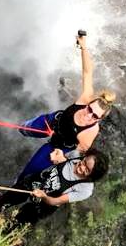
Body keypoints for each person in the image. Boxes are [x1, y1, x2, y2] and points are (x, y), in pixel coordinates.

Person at [16, 31, 116, 180]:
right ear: (89, 103)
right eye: (90, 109)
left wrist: (61, 158)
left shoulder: (89, 132)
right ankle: (24, 130)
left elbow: (78, 155)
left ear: (99, 119)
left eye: (95, 116)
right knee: (24, 129)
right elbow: (87, 72)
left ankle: (14, 188)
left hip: (57, 145)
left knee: (29, 173)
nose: (89, 115)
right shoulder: (86, 98)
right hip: (52, 122)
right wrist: (83, 47)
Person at [0, 148, 109, 226]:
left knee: (19, 222)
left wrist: (43, 195)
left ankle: (2, 234)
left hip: (45, 203)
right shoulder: (75, 155)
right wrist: (56, 155)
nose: (81, 167)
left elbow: (56, 201)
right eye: (83, 162)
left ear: (92, 176)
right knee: (9, 198)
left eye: (87, 170)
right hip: (36, 182)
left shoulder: (85, 189)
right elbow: (58, 155)